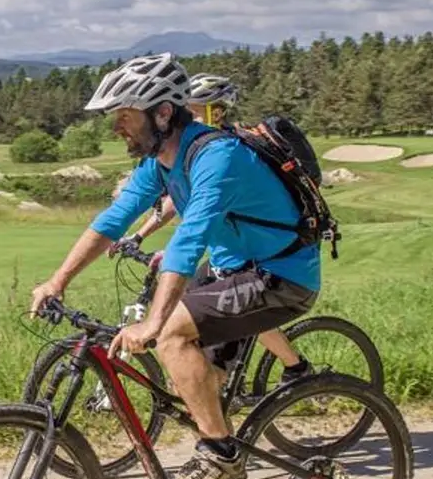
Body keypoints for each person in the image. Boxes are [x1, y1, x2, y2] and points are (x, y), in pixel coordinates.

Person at [30, 53, 321, 479]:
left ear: (163, 113)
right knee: (197, 378)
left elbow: (189, 240)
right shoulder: (160, 161)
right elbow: (113, 221)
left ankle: (221, 455)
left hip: (280, 274)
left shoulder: (218, 156)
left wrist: (153, 322)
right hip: (234, 271)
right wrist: (58, 280)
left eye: (125, 116)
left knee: (170, 335)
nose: (117, 127)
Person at [114, 73, 313, 386]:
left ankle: (295, 367)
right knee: (183, 315)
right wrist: (139, 235)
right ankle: (214, 388)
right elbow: (176, 202)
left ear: (216, 112)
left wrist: (171, 250)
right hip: (227, 256)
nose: (187, 117)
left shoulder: (223, 150)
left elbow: (197, 220)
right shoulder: (185, 148)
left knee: (231, 322)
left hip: (259, 262)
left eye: (194, 110)